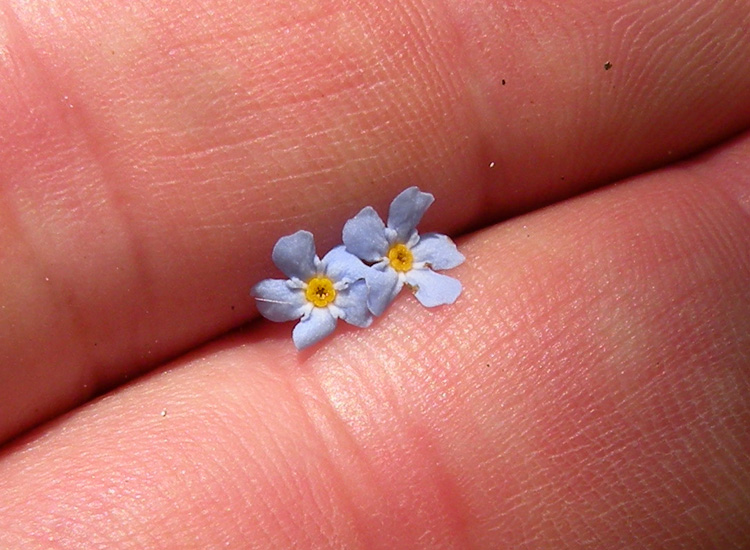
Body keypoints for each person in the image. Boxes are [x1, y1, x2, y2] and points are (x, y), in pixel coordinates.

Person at [1, 1, 748, 546]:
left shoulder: (372, 266)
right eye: (320, 290)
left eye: (325, 288)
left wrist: (385, 278)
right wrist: (362, 288)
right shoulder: (346, 276)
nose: (326, 291)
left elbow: (367, 273)